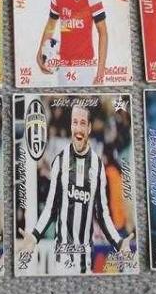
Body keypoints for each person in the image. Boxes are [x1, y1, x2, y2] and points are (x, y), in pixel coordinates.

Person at [18, 105, 134, 275]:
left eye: (82, 123)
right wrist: (34, 237)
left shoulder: (97, 165)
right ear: (71, 127)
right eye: (75, 123)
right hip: (62, 258)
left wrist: (119, 242)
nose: (78, 128)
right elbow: (51, 208)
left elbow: (102, 214)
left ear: (89, 128)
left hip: (86, 258)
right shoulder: (60, 161)